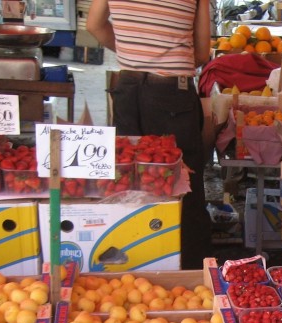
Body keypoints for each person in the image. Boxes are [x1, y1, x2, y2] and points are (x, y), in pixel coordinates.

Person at [86, 0, 212, 269]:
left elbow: (95, 25)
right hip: (171, 92)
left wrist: (133, 55)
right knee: (182, 184)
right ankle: (188, 271)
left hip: (128, 87)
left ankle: (135, 261)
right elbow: (201, 53)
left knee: (130, 180)